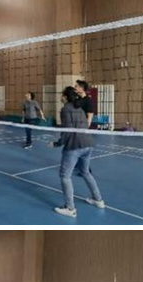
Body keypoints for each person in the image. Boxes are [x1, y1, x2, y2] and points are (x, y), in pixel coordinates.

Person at [51, 86, 105, 218]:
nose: (60, 96)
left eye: (62, 94)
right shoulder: (79, 108)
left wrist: (57, 143)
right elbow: (84, 125)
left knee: (65, 176)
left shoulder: (65, 109)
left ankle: (70, 208)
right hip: (88, 144)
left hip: (74, 146)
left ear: (65, 96)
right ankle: (98, 200)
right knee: (85, 172)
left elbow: (67, 131)